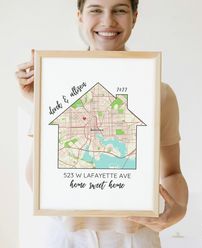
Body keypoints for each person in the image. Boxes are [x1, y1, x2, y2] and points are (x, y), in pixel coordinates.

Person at [16, 0, 188, 247]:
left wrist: (178, 210)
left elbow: (172, 172)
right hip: (66, 238)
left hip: (135, 238)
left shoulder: (158, 92)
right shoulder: (55, 84)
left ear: (135, 16)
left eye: (119, 10)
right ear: (79, 16)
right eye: (95, 9)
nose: (108, 21)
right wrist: (41, 104)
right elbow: (37, 176)